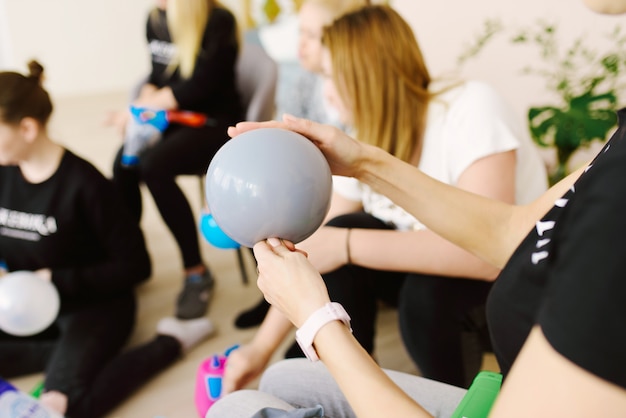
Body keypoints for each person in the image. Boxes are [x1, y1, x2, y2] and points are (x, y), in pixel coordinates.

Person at [207, 0, 626, 415]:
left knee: (237, 410)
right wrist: (364, 163)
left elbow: (487, 256)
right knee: (282, 378)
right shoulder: (617, 150)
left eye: (332, 77)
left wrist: (319, 321)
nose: (326, 92)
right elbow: (513, 233)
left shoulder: (471, 110)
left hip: (483, 327)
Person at [0, 61, 214, 418]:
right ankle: (65, 354)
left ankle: (171, 340)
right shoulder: (3, 173)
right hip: (28, 305)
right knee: (63, 366)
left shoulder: (86, 186)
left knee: (66, 407)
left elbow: (136, 266)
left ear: (26, 128)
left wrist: (55, 279)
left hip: (94, 305)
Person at [234, 0, 369, 330]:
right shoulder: (307, 82)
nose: (301, 45)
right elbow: (287, 133)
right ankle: (271, 295)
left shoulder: (357, 96)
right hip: (304, 179)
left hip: (339, 193)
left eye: (312, 35)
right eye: (301, 33)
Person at [109, 0, 243, 320]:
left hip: (214, 121)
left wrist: (146, 107)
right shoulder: (156, 17)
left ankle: (195, 272)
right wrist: (140, 109)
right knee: (124, 164)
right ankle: (127, 260)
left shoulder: (219, 21)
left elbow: (202, 86)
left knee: (155, 166)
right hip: (173, 118)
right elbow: (157, 75)